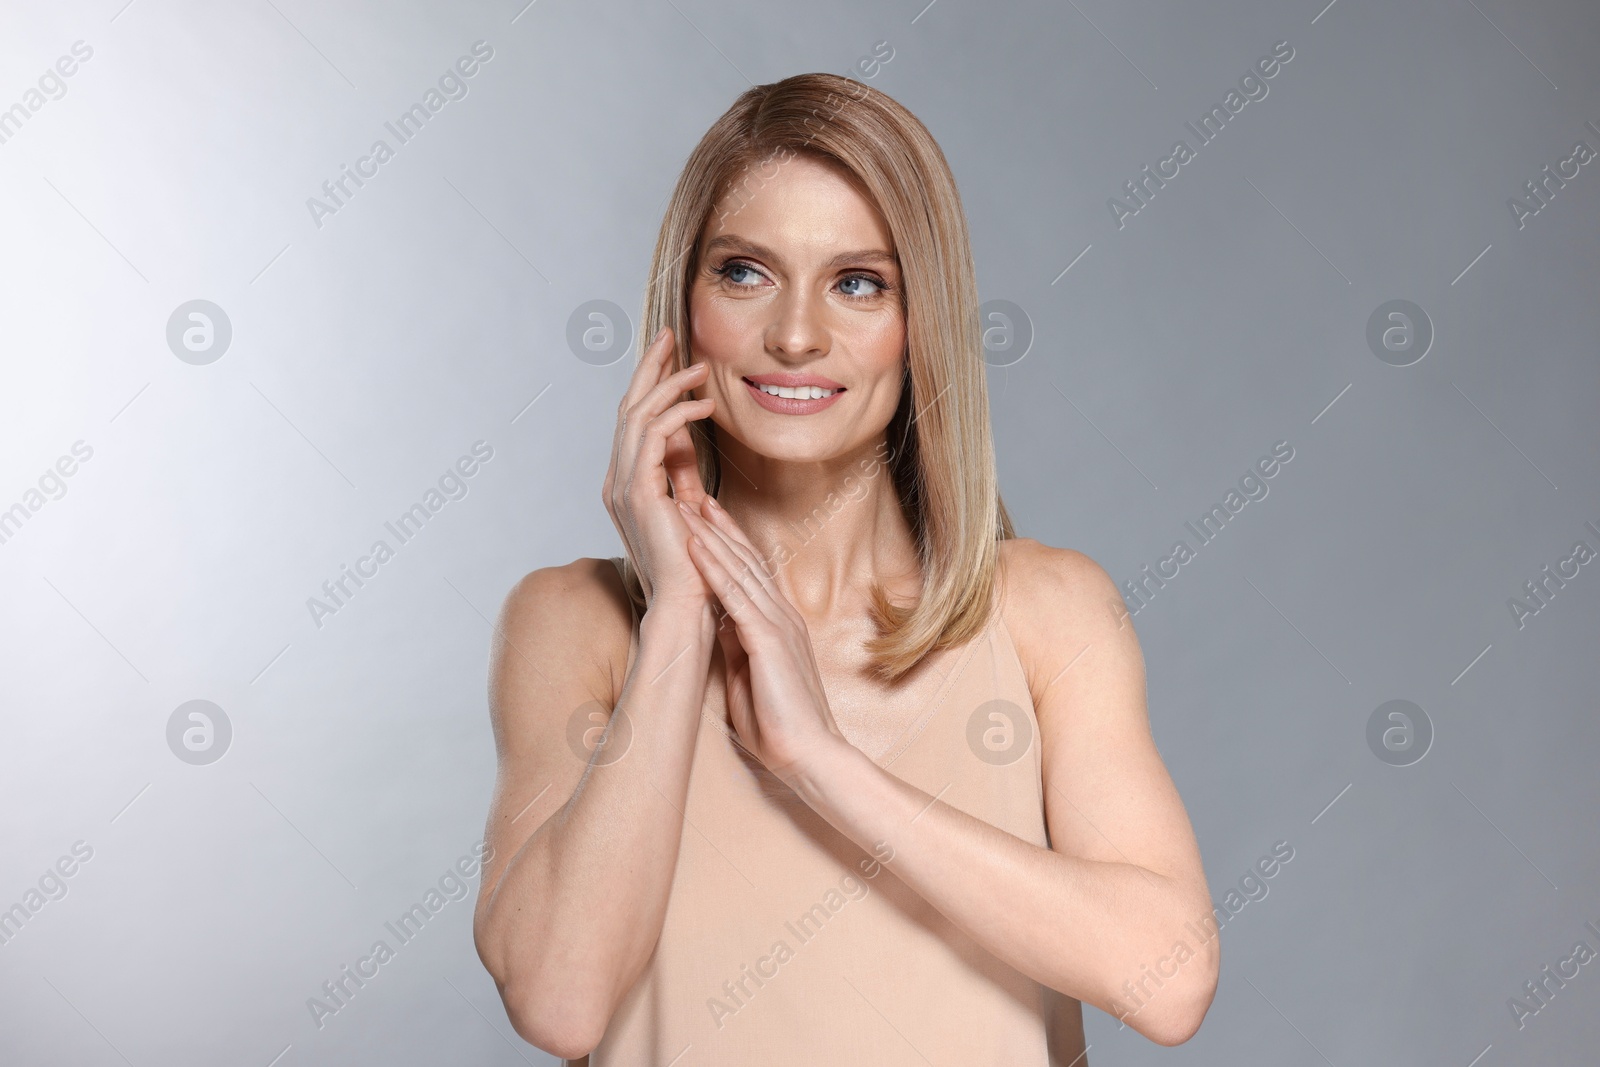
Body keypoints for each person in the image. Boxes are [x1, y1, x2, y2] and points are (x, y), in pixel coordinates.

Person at [472, 71, 1218, 1064]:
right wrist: (681, 618)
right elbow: (558, 1001)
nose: (793, 334)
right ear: (682, 300)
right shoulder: (571, 621)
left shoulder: (1046, 610)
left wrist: (819, 762)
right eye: (745, 272)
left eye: (857, 283)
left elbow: (1166, 983)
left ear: (921, 328)